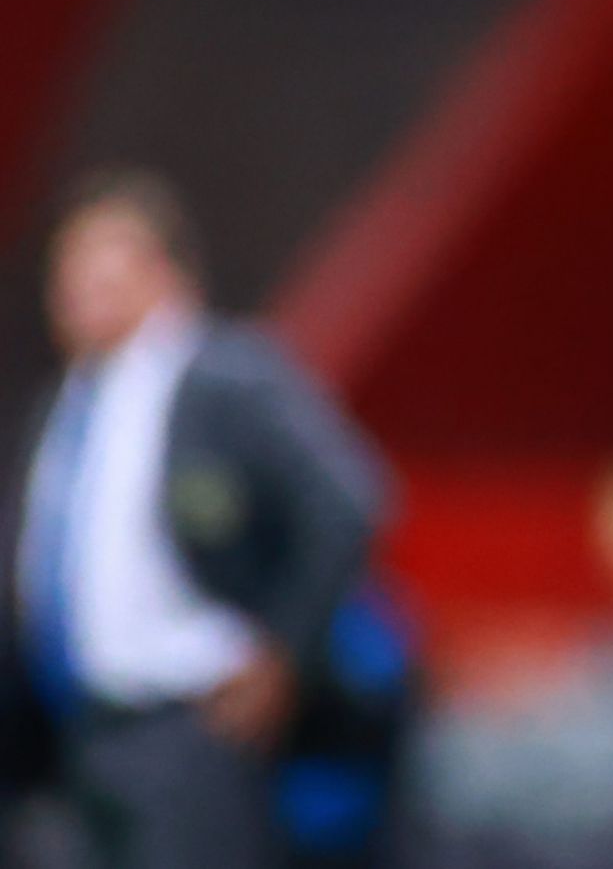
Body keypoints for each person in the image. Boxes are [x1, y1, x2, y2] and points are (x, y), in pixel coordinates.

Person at [0, 170, 396, 869]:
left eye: (104, 263)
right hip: (79, 732)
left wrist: (282, 656)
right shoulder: (69, 402)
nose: (80, 286)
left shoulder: (220, 377)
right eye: (68, 269)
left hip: (189, 726)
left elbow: (346, 502)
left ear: (162, 272)